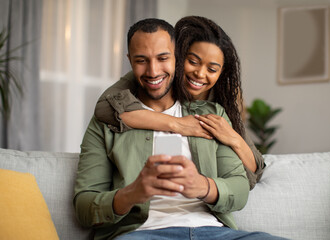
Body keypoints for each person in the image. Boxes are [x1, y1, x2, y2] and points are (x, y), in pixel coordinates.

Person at [74, 18, 286, 240]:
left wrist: (203, 185)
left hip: (214, 232)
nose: (153, 70)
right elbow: (84, 207)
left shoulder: (214, 114)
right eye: (141, 60)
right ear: (130, 60)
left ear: (176, 55)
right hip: (143, 234)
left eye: (163, 58)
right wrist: (131, 193)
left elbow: (241, 188)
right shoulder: (109, 117)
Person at [94, 16, 265, 190]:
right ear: (178, 55)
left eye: (212, 69)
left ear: (221, 72)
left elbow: (255, 170)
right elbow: (103, 107)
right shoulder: (155, 77)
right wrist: (178, 124)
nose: (200, 73)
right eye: (192, 62)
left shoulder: (221, 103)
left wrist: (232, 138)